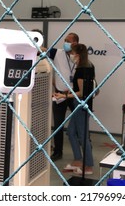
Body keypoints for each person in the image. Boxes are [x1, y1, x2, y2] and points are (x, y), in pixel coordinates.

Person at [53, 43, 95, 175]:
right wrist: (65, 91)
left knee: (82, 136)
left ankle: (88, 165)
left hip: (81, 104)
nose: (70, 55)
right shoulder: (88, 66)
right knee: (71, 132)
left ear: (77, 54)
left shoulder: (82, 69)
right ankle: (78, 159)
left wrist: (63, 95)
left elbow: (81, 92)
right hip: (81, 103)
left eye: (72, 53)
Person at [47, 32, 79, 161]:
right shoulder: (58, 53)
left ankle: (83, 148)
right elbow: (43, 50)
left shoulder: (80, 56)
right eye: (65, 40)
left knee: (79, 123)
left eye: (68, 41)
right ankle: (58, 151)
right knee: (58, 125)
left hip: (74, 95)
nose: (65, 43)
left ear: (75, 43)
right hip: (60, 95)